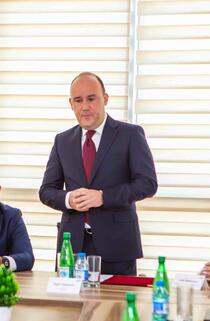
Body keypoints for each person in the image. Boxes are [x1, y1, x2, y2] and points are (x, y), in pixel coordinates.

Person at [39, 72, 157, 275]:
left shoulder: (130, 134)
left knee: (116, 297)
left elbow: (147, 184)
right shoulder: (62, 141)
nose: (85, 106)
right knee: (69, 298)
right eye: (78, 100)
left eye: (91, 99)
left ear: (105, 98)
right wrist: (68, 199)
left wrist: (103, 197)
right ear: (71, 104)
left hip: (117, 246)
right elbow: (47, 191)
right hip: (72, 247)